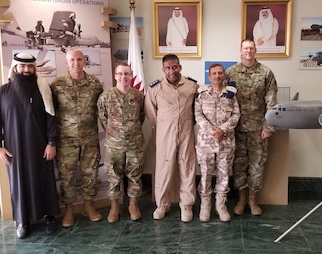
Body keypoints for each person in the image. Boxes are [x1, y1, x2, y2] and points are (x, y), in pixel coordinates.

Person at [0, 53, 59, 239]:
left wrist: (52, 143)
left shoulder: (43, 91)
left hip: (41, 147)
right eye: (22, 67)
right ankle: (24, 221)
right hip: (15, 149)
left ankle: (50, 217)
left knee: (44, 181)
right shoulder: (2, 92)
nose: (26, 70)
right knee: (19, 184)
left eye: (30, 67)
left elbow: (51, 118)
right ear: (15, 68)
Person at [50, 49, 103, 227]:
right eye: (72, 60)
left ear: (84, 61)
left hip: (90, 139)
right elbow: (51, 113)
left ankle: (88, 207)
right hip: (66, 140)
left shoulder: (95, 84)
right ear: (66, 62)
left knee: (90, 173)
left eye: (79, 59)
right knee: (67, 176)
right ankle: (69, 211)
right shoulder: (57, 85)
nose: (76, 63)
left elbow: (101, 110)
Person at [225, 39, 278, 216]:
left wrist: (268, 126)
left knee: (257, 165)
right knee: (239, 165)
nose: (248, 51)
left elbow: (271, 101)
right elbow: (225, 101)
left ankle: (253, 199)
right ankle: (241, 199)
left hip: (258, 129)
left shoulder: (266, 73)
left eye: (251, 48)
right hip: (237, 128)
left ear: (255, 51)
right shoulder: (230, 73)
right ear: (240, 51)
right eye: (245, 48)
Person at [144, 54, 198, 222]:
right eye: (168, 68)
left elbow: (197, 111)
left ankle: (186, 205)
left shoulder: (192, 86)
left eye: (174, 67)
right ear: (163, 70)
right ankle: (162, 205)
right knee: (163, 169)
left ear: (179, 67)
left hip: (186, 132)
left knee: (187, 166)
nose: (171, 71)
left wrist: (187, 123)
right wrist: (164, 125)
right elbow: (151, 113)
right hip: (164, 133)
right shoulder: (155, 88)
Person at [97, 63, 145, 222]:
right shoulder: (106, 97)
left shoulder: (138, 96)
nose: (123, 77)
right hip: (114, 145)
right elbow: (103, 119)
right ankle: (114, 207)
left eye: (126, 74)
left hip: (134, 144)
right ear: (115, 76)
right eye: (120, 74)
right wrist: (116, 134)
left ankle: (133, 205)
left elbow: (141, 117)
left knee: (135, 176)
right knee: (113, 177)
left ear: (131, 76)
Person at [195, 64, 240, 222]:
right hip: (206, 143)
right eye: (214, 73)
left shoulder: (231, 94)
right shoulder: (201, 94)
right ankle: (205, 204)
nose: (217, 76)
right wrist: (212, 131)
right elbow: (198, 115)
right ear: (209, 76)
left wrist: (222, 129)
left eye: (220, 73)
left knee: (224, 175)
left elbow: (236, 115)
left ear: (224, 75)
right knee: (205, 175)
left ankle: (220, 205)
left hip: (225, 142)